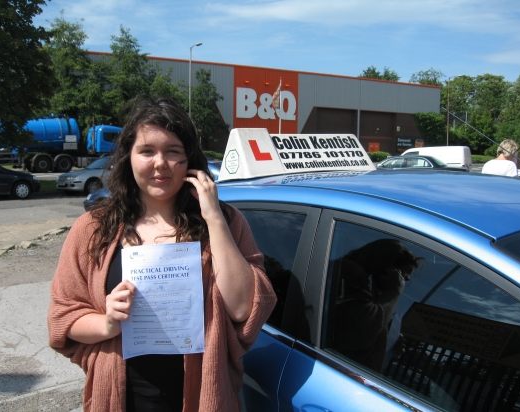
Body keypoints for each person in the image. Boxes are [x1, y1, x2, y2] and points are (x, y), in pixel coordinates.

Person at [47, 96, 277, 412]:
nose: (160, 164)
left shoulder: (227, 221)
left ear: (190, 160)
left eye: (173, 152)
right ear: (128, 157)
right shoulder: (93, 228)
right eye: (146, 151)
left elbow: (243, 309)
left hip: (202, 397)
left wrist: (213, 217)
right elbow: (64, 316)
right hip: (122, 398)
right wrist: (108, 323)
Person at [331, 239, 422, 373]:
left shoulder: (372, 291)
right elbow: (364, 333)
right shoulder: (349, 272)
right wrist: (393, 292)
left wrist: (388, 345)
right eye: (406, 270)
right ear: (387, 265)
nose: (406, 278)